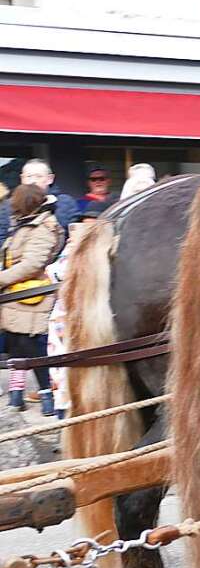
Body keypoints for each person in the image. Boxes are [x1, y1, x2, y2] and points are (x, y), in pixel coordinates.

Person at [0, 184, 63, 415]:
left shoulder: (43, 227)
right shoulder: (25, 224)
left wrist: (1, 278)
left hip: (31, 297)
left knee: (32, 347)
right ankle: (17, 394)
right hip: (16, 297)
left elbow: (32, 264)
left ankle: (48, 395)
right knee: (17, 345)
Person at [45, 199, 106, 420]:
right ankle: (63, 421)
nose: (86, 228)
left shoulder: (102, 250)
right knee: (61, 374)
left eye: (91, 224)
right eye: (84, 223)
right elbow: (55, 273)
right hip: (62, 319)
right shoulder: (72, 248)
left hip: (86, 318)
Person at [0, 159, 77, 240]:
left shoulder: (65, 203)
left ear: (50, 179)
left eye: (38, 176)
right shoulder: (9, 205)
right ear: (22, 179)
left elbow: (74, 236)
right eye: (29, 176)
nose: (33, 181)